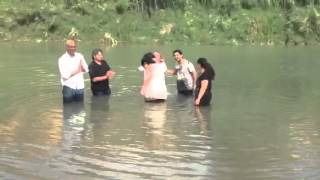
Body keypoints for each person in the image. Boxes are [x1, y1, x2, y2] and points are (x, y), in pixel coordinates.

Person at [58, 39, 88, 103]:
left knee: (80, 108)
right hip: (68, 86)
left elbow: (86, 69)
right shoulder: (62, 59)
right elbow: (65, 75)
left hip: (80, 86)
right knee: (67, 109)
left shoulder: (80, 56)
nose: (73, 48)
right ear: (67, 47)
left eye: (74, 47)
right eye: (71, 47)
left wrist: (81, 69)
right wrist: (77, 71)